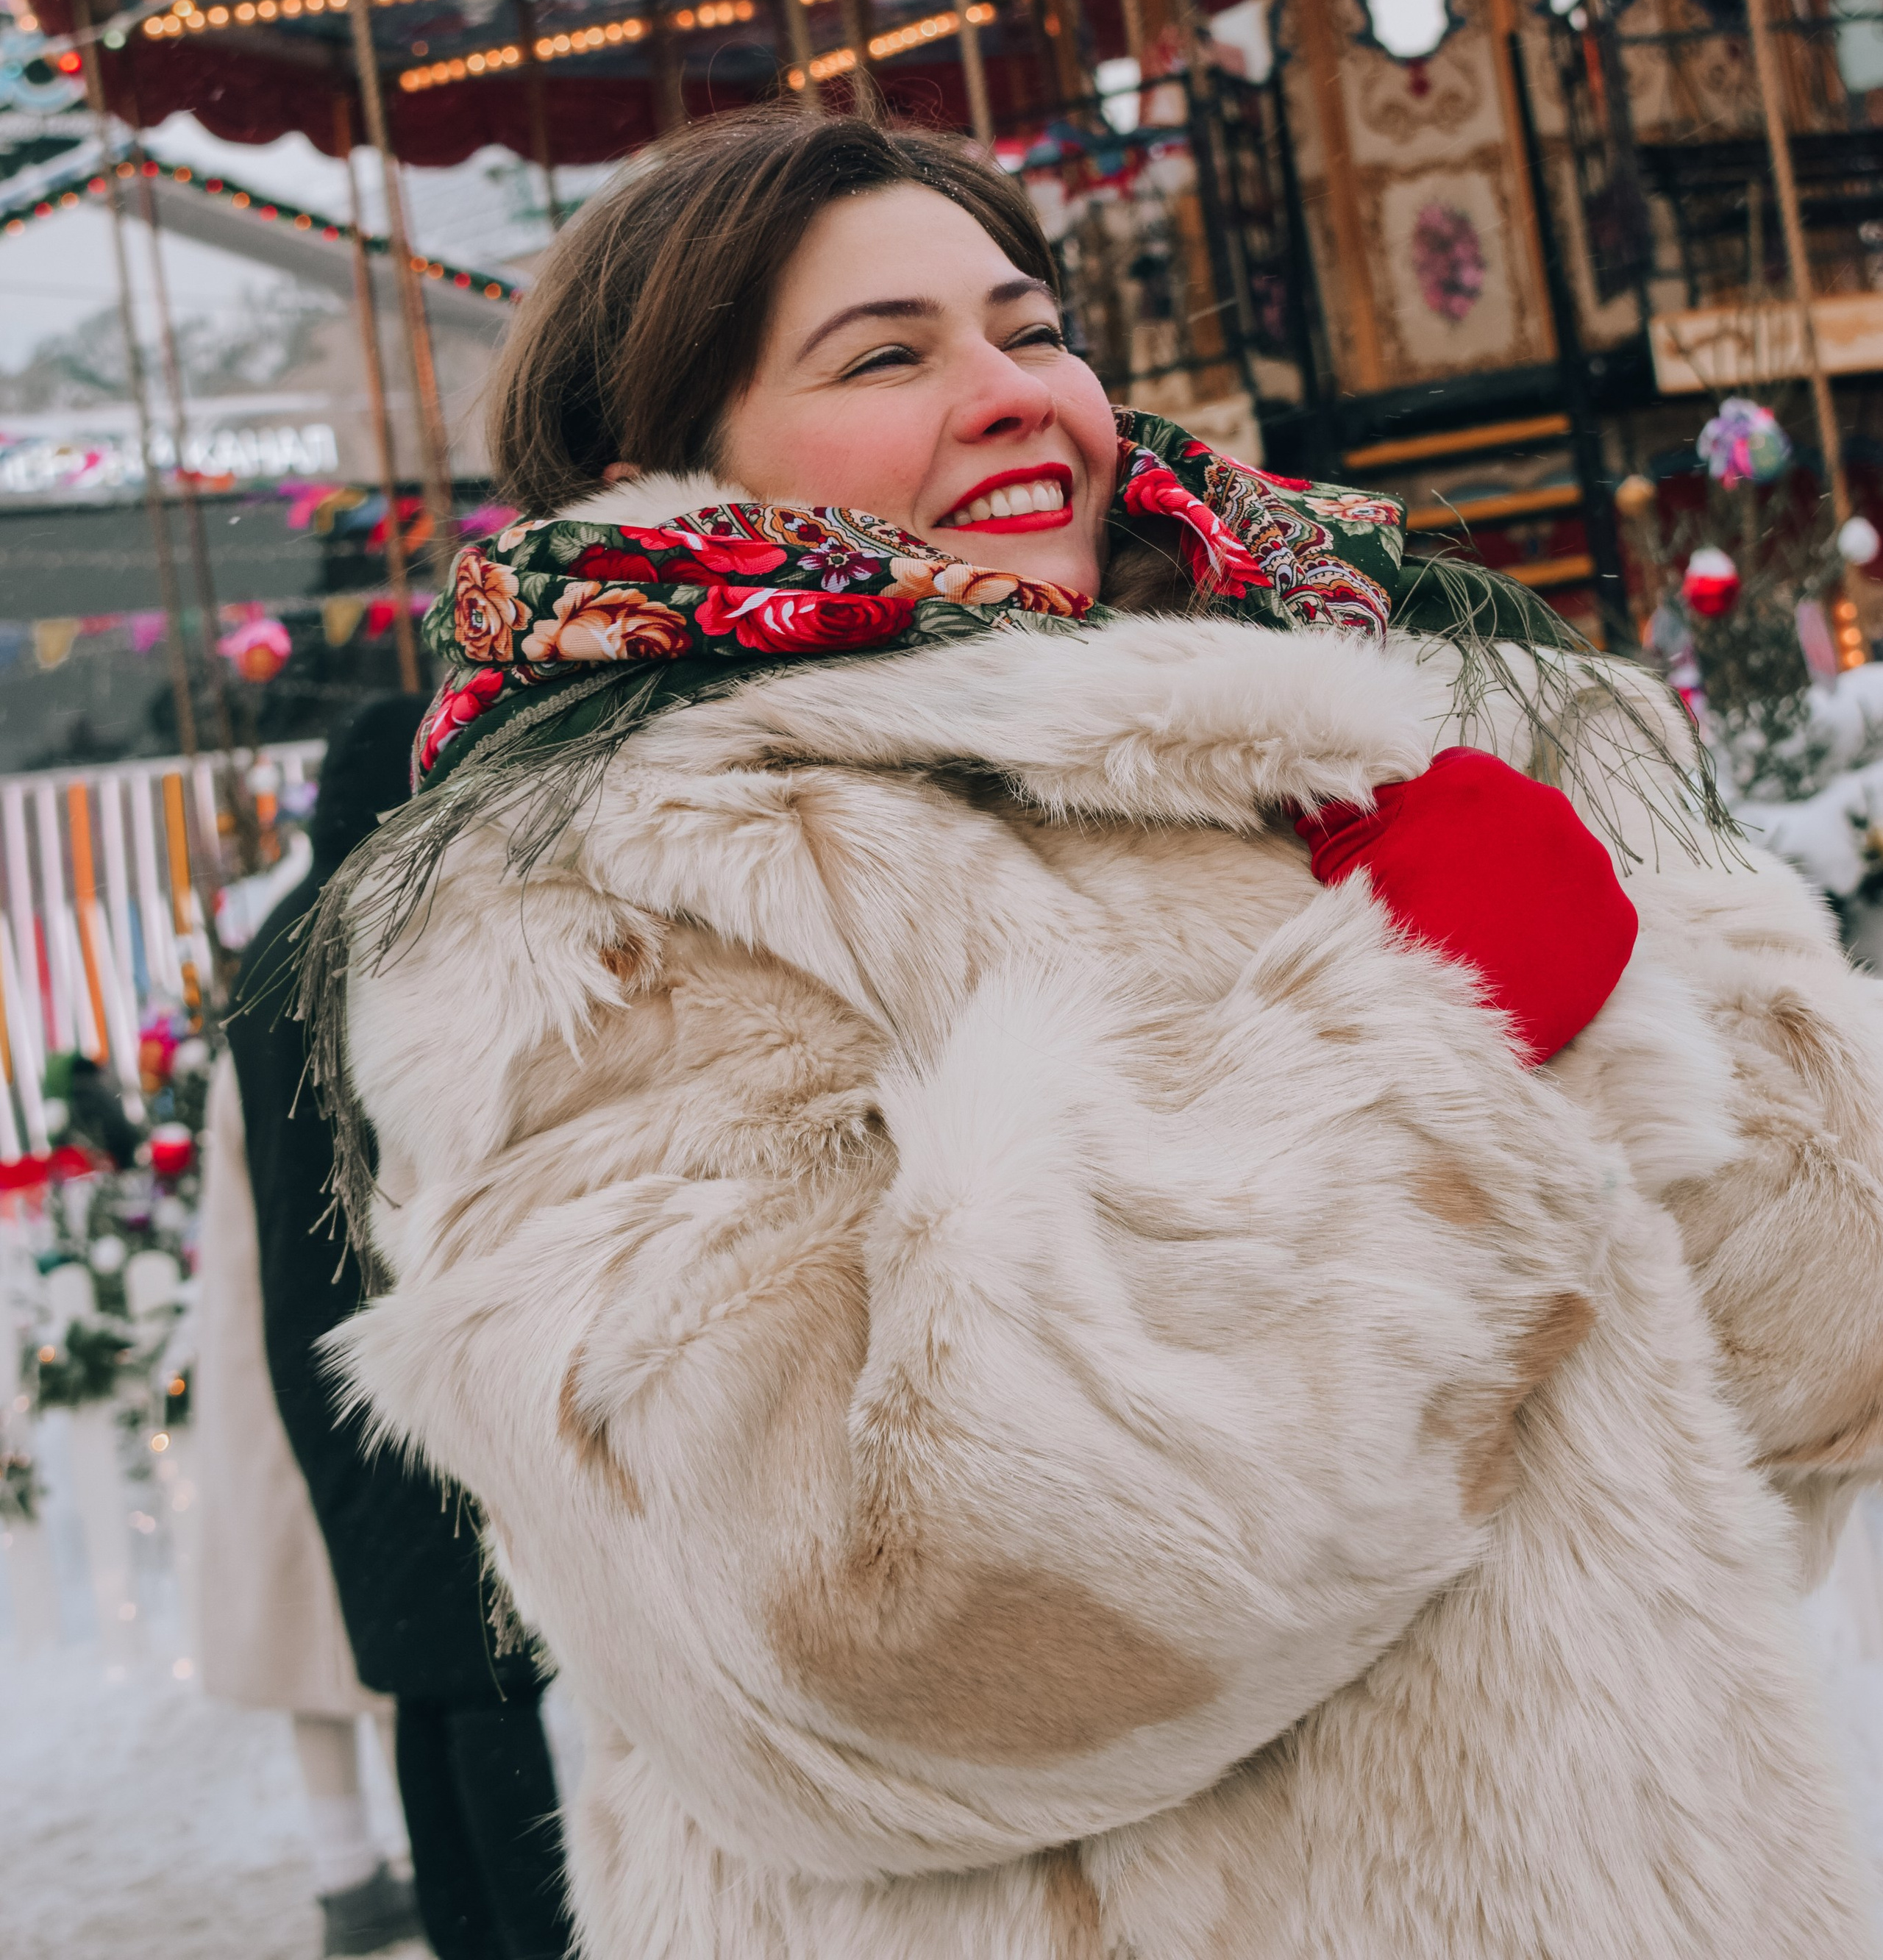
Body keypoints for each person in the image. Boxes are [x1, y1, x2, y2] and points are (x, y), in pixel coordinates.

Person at [313, 110, 1883, 1960]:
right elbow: (867, 1623)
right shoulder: (610, 891)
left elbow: (1823, 1326)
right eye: (885, 354)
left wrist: (1627, 992)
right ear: (660, 464)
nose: (1006, 391)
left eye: (1027, 324)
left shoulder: (1395, 703)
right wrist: (1406, 1041)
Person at [229, 696, 574, 1960]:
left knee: (431, 1688)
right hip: (400, 1357)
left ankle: (473, 1932)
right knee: (487, 1684)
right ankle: (530, 1937)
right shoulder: (375, 939)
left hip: (317, 1361)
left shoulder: (277, 945)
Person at [195, 1049, 420, 1959]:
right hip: (294, 1367)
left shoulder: (234, 1055)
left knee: (307, 1637)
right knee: (372, 1628)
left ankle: (347, 1873)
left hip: (251, 1365)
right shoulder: (294, 1042)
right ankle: (400, 1868)